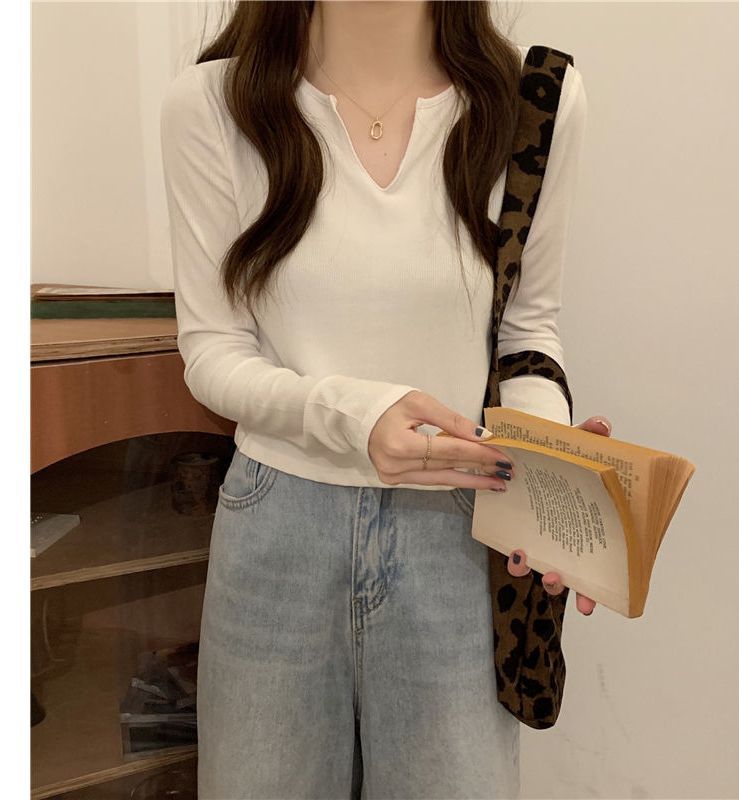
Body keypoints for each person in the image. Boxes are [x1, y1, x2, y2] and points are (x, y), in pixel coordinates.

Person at [159, 2, 609, 797]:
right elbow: (213, 350)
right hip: (278, 527)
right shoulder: (213, 105)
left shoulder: (536, 99)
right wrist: (353, 418)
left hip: (459, 530)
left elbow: (526, 332)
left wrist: (545, 472)